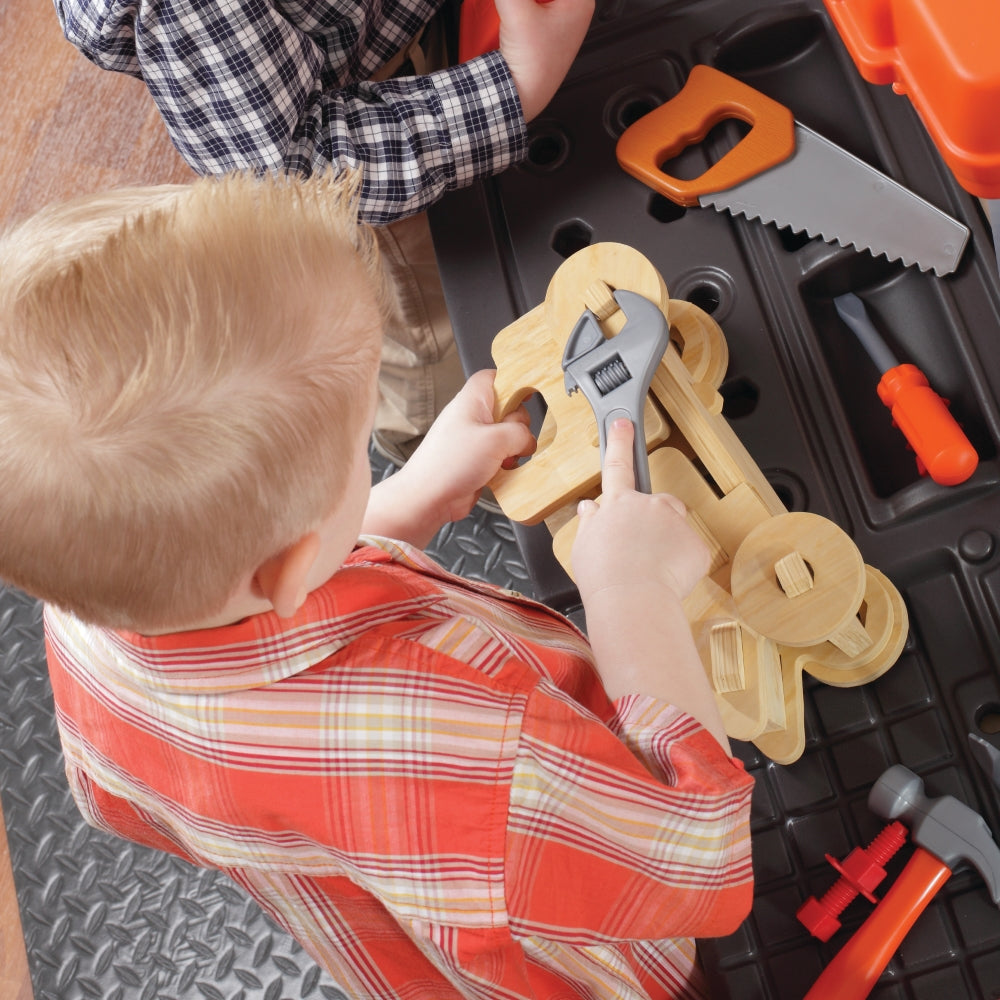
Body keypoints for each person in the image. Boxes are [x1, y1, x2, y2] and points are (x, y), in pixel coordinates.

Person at [0, 171, 754, 999]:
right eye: (363, 447)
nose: (370, 452)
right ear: (291, 560)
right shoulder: (457, 755)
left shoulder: (89, 607)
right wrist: (629, 590)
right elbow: (701, 866)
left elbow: (113, 791)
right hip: (582, 950)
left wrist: (408, 497)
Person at [53, 0, 596, 462]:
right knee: (429, 337)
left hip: (413, 37)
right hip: (370, 151)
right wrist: (520, 83)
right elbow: (293, 165)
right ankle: (424, 443)